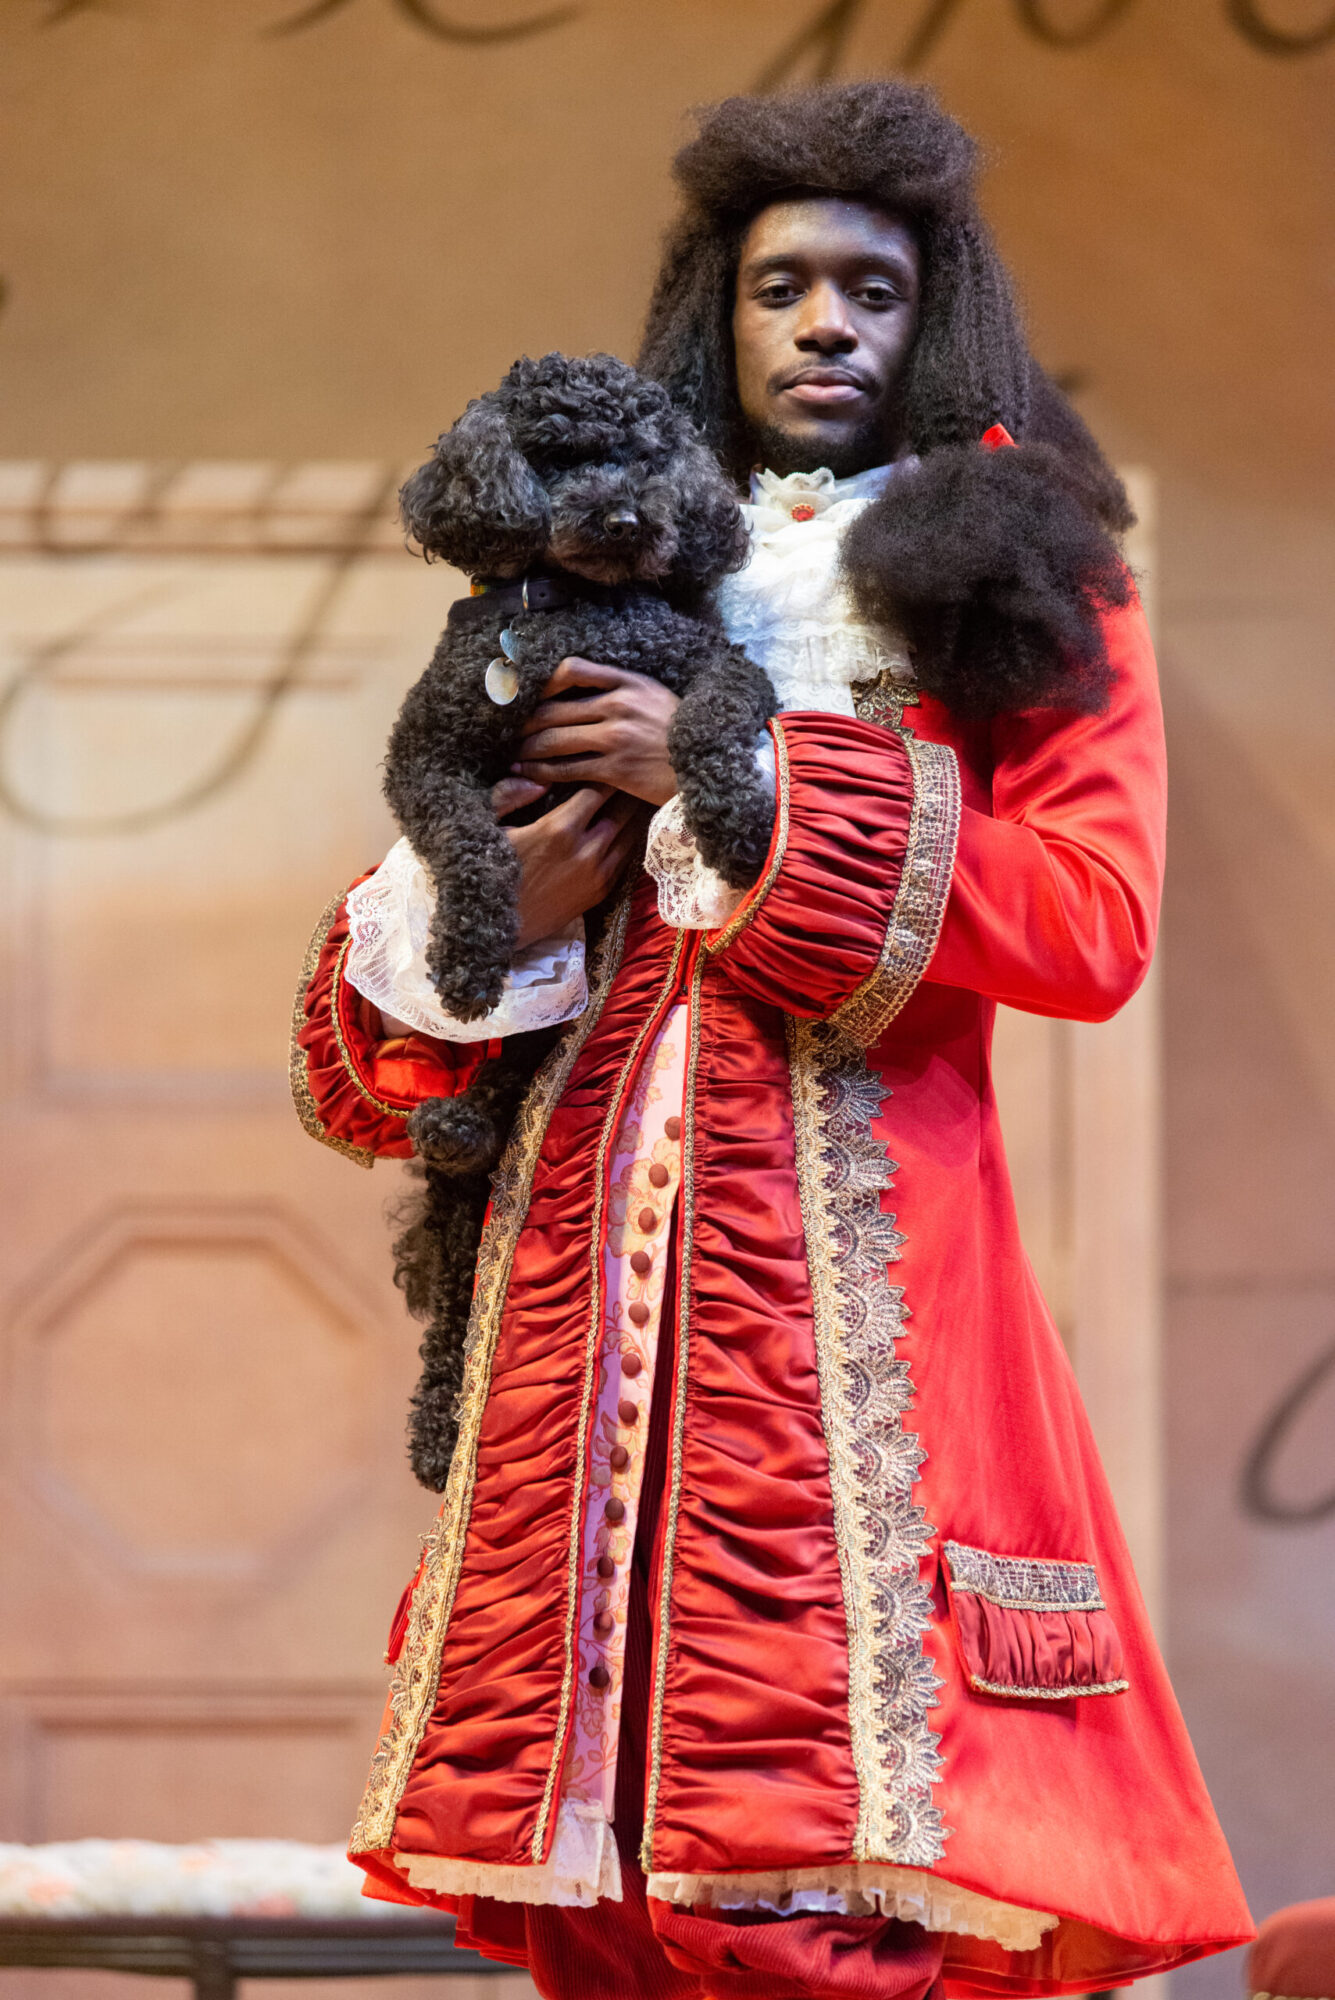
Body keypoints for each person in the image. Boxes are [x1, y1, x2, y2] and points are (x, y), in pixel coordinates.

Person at [291, 79, 1251, 2000]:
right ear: (712, 317)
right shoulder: (605, 577)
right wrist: (523, 909)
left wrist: (729, 786)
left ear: (934, 316)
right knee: (607, 1896)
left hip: (862, 1307)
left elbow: (1090, 920)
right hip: (571, 1335)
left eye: (873, 289)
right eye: (782, 285)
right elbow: (368, 1058)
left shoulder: (1026, 583)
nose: (827, 324)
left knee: (824, 1888)